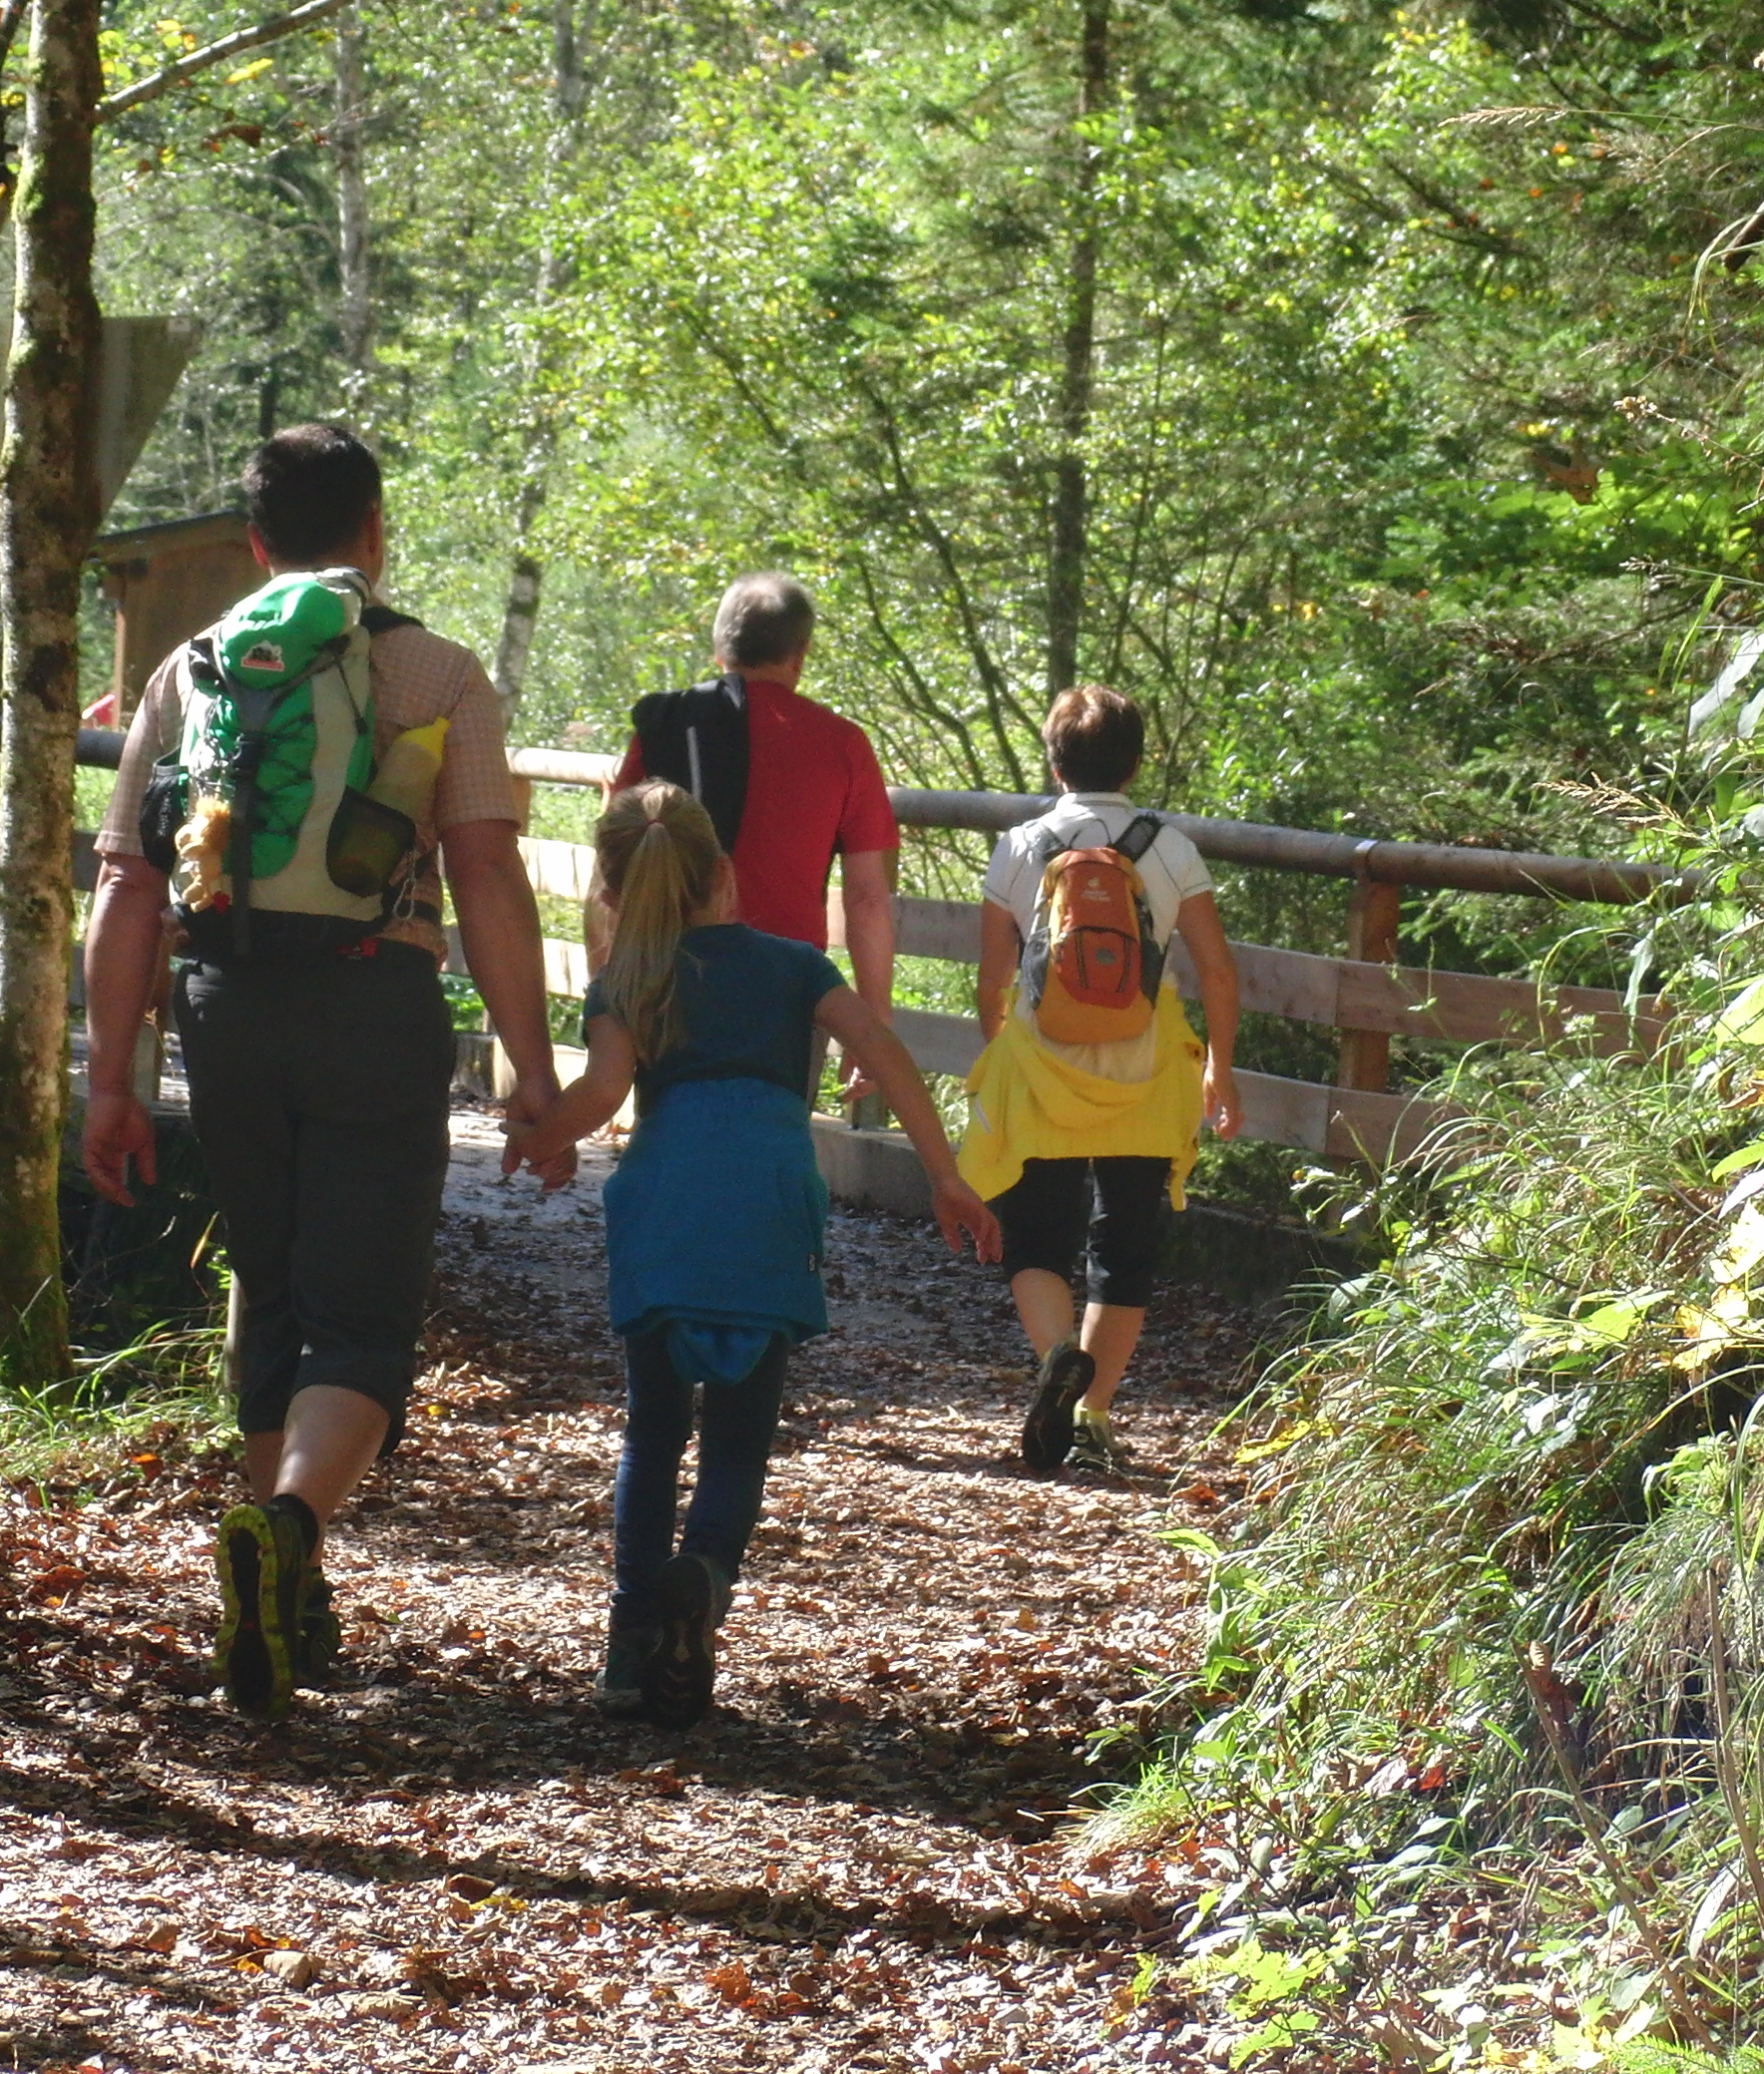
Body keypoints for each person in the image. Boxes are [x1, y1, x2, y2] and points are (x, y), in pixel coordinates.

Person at [78, 423, 564, 1723]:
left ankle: (284, 1584)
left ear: (253, 543)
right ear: (376, 532)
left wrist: (109, 1079)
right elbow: (488, 872)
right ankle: (289, 1527)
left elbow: (127, 882)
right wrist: (530, 1064)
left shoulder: (190, 670)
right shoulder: (435, 670)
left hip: (223, 1003)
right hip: (374, 998)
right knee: (360, 1323)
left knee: (270, 1278)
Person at [504, 780, 998, 1726]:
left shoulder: (627, 986)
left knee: (653, 1432)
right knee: (738, 1439)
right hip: (770, 1204)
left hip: (665, 1208)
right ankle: (707, 1579)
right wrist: (945, 1175)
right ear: (724, 874)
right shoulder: (795, 967)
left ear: (610, 890)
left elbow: (603, 1094)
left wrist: (540, 1138)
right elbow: (885, 1055)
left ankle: (628, 1645)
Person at [959, 685, 1243, 1475]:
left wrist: (1002, 1056)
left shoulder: (1019, 845)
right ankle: (1092, 1417)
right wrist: (1221, 1065)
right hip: (1148, 1069)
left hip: (1042, 1066)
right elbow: (1218, 970)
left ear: (1052, 762)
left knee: (1036, 1235)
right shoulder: (1171, 846)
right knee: (1124, 1243)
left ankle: (1057, 1355)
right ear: (1137, 762)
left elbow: (990, 982)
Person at [614, 572, 901, 1100]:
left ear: (718, 646)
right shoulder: (842, 744)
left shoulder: (667, 727)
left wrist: (611, 990)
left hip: (672, 973)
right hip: (787, 986)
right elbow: (867, 898)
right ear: (801, 652)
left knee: (674, 1133)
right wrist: (871, 1024)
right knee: (777, 1139)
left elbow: (612, 870)